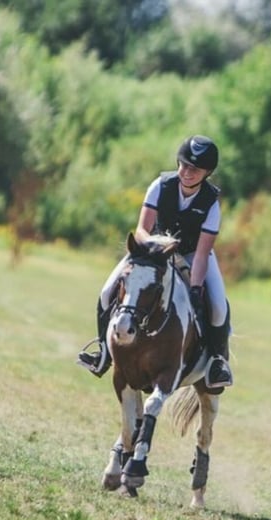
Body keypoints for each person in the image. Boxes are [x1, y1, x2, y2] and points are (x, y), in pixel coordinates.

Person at [77, 135, 233, 388]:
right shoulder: (160, 185)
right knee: (107, 291)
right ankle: (103, 352)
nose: (187, 172)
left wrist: (195, 289)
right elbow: (141, 230)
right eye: (183, 165)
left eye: (195, 169)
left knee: (218, 306)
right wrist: (157, 249)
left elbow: (203, 253)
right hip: (152, 250)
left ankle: (216, 363)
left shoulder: (211, 204)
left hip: (193, 254)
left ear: (207, 173)